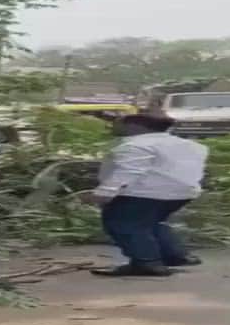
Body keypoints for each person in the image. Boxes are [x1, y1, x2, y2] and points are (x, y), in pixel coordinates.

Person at [87, 113, 209, 277]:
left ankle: (146, 262)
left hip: (142, 192)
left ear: (135, 126)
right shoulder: (192, 145)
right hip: (183, 192)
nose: (112, 127)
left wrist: (105, 192)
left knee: (122, 224)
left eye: (117, 124)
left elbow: (128, 170)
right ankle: (174, 256)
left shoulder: (135, 146)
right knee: (151, 223)